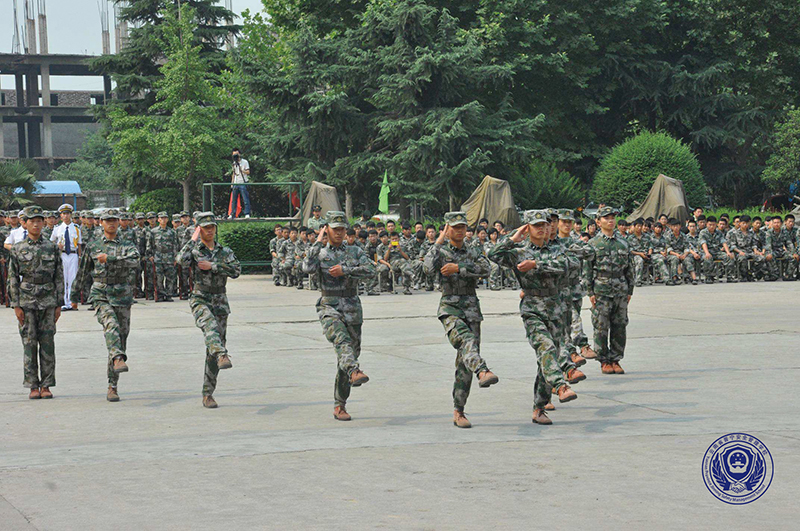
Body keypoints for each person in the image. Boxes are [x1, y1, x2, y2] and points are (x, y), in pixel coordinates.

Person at [488, 210, 576, 425]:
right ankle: (561, 385)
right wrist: (512, 239)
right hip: (532, 308)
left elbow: (567, 266)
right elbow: (493, 254)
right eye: (536, 225)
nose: (542, 229)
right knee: (546, 348)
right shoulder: (519, 252)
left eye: (544, 224)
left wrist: (536, 265)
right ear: (527, 228)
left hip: (555, 308)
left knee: (548, 357)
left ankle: (539, 407)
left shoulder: (558, 249)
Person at [424, 212, 497, 428]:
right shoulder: (440, 251)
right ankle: (483, 370)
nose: (459, 231)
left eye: (462, 227)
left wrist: (460, 268)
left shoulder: (473, 250)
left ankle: (459, 410)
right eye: (454, 227)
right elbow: (427, 268)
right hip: (450, 307)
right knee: (467, 341)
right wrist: (439, 240)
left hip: (471, 308)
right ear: (447, 229)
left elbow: (487, 268)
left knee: (465, 361)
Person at [302, 211, 376, 421]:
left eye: (342, 229)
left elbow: (371, 270)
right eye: (334, 229)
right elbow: (306, 267)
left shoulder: (355, 251)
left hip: (352, 306)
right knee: (342, 341)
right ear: (326, 229)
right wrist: (318, 242)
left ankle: (340, 404)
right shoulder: (320, 252)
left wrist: (346, 270)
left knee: (350, 353)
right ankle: (354, 371)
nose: (339, 233)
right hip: (329, 305)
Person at [70, 209, 140, 402]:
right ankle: (117, 358)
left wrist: (111, 259)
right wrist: (74, 295)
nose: (111, 223)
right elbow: (83, 271)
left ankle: (112, 385)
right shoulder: (94, 245)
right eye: (107, 220)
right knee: (111, 325)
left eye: (114, 220)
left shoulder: (127, 244)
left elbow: (134, 261)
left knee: (120, 338)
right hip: (101, 293)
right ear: (101, 222)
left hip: (122, 295)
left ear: (118, 222)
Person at [177, 212, 241, 408]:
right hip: (200, 298)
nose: (210, 230)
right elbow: (180, 260)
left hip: (220, 300)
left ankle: (208, 393)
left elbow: (236, 270)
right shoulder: (195, 250)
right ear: (199, 229)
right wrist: (192, 240)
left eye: (212, 227)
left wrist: (213, 266)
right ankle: (222, 354)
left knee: (214, 346)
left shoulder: (225, 251)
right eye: (205, 228)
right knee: (210, 327)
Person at [8, 206, 64, 399]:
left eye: (39, 220)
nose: (36, 224)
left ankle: (46, 385)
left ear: (43, 222)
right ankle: (33, 385)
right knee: (29, 343)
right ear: (25, 223)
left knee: (47, 343)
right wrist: (15, 305)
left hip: (48, 299)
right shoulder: (18, 248)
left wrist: (59, 304)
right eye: (32, 221)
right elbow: (12, 278)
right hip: (27, 300)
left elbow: (59, 276)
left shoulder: (51, 247)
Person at [585, 206, 634, 375]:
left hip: (620, 289)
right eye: (606, 218)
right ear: (598, 222)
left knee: (620, 326)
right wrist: (590, 292)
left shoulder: (623, 243)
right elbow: (587, 270)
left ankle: (615, 359)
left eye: (612, 217)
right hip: (601, 290)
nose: (610, 221)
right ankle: (604, 360)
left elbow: (630, 269)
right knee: (601, 326)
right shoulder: (593, 244)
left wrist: (630, 290)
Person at [50, 204, 81, 311]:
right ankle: (63, 302)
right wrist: (56, 246)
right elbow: (51, 242)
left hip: (73, 254)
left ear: (71, 215)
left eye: (67, 213)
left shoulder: (76, 228)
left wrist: (80, 257)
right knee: (62, 278)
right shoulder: (57, 229)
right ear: (61, 216)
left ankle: (71, 302)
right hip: (62, 254)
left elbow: (79, 244)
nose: (66, 216)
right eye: (63, 214)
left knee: (72, 279)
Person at [229, 148, 251, 219]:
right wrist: (232, 183)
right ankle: (232, 213)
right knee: (234, 200)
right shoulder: (234, 163)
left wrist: (242, 170)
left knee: (245, 199)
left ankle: (247, 213)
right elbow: (234, 173)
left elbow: (248, 172)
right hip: (236, 183)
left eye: (236, 154)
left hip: (243, 182)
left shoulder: (244, 162)